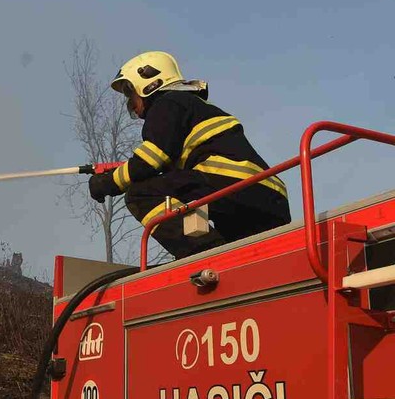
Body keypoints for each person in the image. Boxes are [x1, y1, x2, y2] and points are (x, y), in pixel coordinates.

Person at [88, 51, 290, 259]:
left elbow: (150, 161)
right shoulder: (194, 106)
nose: (132, 105)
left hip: (232, 186)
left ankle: (203, 253)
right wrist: (126, 170)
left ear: (148, 83)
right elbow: (164, 171)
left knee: (140, 194)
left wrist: (108, 182)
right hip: (269, 198)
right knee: (239, 256)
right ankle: (216, 251)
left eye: (131, 96)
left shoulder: (167, 103)